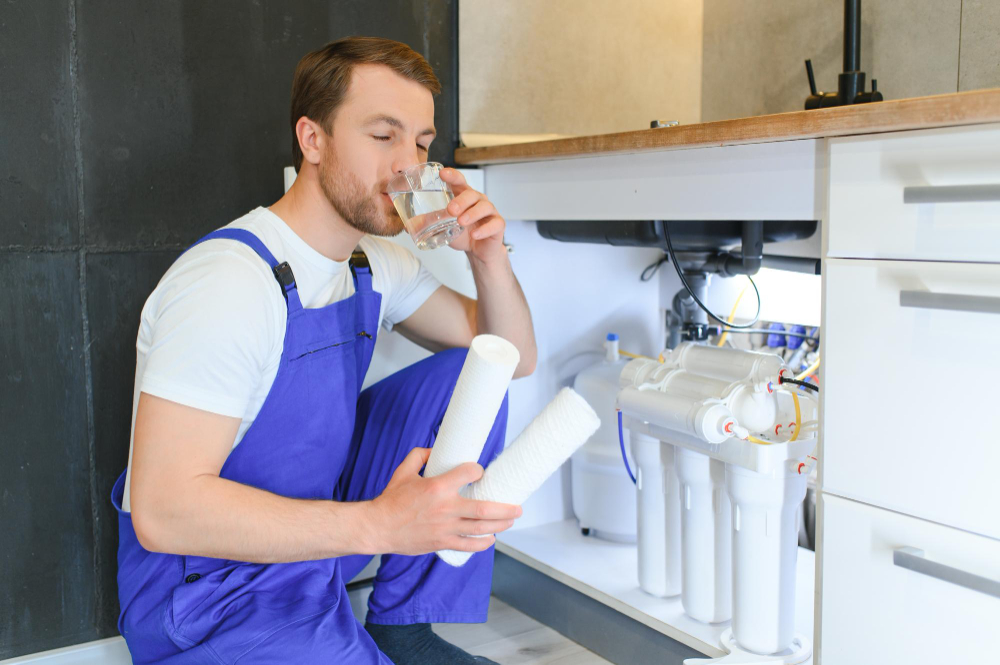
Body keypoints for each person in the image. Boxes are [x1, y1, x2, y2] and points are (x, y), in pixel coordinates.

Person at [110, 36, 537, 664]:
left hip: (315, 524)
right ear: (313, 141)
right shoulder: (228, 284)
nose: (407, 165)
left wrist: (488, 258)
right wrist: (381, 525)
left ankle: (405, 627)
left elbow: (513, 357)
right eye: (382, 135)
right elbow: (163, 511)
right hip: (207, 589)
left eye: (420, 142)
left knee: (470, 375)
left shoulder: (374, 262)